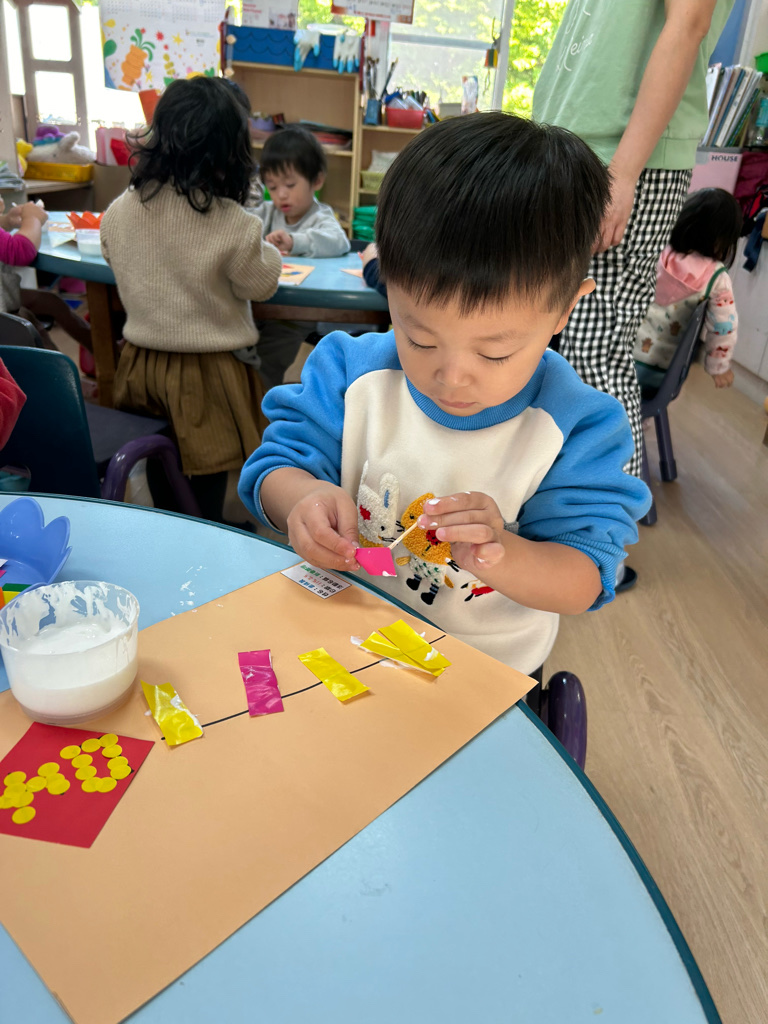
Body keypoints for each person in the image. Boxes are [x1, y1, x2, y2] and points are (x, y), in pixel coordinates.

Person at [238, 113, 651, 675]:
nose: (452, 377)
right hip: (338, 639)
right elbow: (273, 469)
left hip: (482, 670)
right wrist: (301, 500)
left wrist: (500, 552)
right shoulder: (350, 373)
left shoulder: (574, 426)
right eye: (419, 338)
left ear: (564, 311)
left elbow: (585, 578)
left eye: (495, 353)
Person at [532, 0, 734, 476]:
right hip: (574, 146)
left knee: (593, 351)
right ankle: (566, 502)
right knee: (554, 341)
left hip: (623, 157)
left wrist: (623, 173)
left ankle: (607, 518)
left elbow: (688, 23)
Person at [101, 76, 282, 523]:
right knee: (203, 476)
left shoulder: (121, 209)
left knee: (160, 461)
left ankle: (167, 527)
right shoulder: (234, 223)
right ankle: (204, 534)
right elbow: (261, 283)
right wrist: (273, 251)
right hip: (207, 376)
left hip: (141, 366)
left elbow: (111, 251)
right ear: (231, 152)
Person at [236, 125, 351, 387]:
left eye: (290, 184)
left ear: (317, 181)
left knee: (269, 360)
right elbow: (241, 229)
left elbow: (339, 241)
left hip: (295, 315)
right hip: (261, 307)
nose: (281, 195)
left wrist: (294, 241)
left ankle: (260, 400)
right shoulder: (267, 213)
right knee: (242, 353)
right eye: (273, 187)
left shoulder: (320, 216)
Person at [634, 188, 742, 387]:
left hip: (617, 362)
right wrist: (718, 367)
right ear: (723, 239)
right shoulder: (717, 277)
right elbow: (723, 328)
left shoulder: (657, 253)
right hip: (661, 377)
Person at [0, 199, 91, 352]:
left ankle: (109, 351)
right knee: (30, 327)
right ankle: (53, 365)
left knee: (52, 302)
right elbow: (20, 251)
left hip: (5, 294)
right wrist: (32, 219)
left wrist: (6, 221)